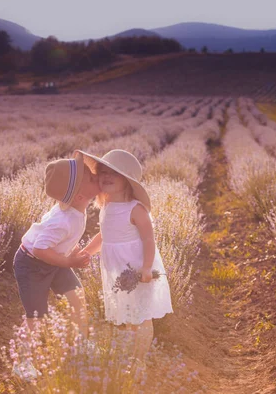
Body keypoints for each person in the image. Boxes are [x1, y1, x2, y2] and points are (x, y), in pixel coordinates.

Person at [12, 151, 100, 380]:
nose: (96, 177)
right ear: (80, 195)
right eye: (91, 178)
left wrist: (71, 255)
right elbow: (41, 249)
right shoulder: (63, 220)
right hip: (32, 264)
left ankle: (82, 343)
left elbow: (57, 245)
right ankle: (22, 362)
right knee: (36, 315)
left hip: (54, 259)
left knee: (77, 297)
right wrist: (69, 261)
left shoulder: (77, 210)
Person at [81, 149, 173, 363]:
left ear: (128, 180)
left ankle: (138, 362)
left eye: (114, 173)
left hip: (136, 269)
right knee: (129, 315)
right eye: (102, 172)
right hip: (116, 270)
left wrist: (147, 267)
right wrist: (85, 252)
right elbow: (103, 236)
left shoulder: (136, 209)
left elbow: (149, 240)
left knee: (141, 316)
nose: (106, 177)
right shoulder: (107, 205)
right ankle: (132, 357)